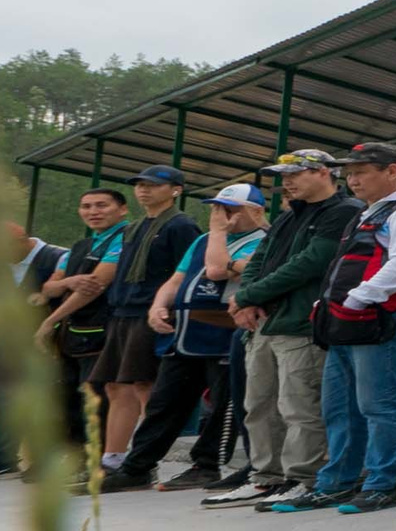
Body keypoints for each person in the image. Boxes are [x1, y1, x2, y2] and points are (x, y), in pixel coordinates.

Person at [266, 143, 396, 515]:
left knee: (379, 407)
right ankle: (336, 483)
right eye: (349, 173)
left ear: (392, 171)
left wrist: (359, 298)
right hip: (343, 323)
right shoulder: (367, 212)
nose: (352, 180)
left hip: (377, 321)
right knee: (340, 408)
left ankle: (381, 484)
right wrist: (329, 305)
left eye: (361, 171)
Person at [210, 153, 360, 509]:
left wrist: (248, 296)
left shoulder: (343, 211)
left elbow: (309, 264)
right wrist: (246, 299)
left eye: (296, 173)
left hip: (301, 324)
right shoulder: (289, 215)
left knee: (299, 406)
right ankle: (266, 477)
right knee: (259, 404)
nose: (287, 181)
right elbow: (259, 260)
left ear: (324, 172)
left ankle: (303, 478)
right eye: (283, 175)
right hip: (266, 323)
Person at [119, 181, 269, 492]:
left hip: (224, 333)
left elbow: (217, 270)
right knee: (164, 402)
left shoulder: (263, 240)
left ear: (255, 212)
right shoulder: (203, 240)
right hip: (186, 334)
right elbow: (176, 279)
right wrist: (158, 306)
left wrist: (218, 232)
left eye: (230, 209)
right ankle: (137, 466)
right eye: (217, 208)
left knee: (222, 406)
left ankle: (207, 464)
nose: (221, 215)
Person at [84, 166, 201, 478]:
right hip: (122, 312)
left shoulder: (181, 225)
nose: (143, 190)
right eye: (139, 185)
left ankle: (143, 461)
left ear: (176, 190)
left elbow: (185, 273)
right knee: (115, 385)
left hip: (151, 312)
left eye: (153, 185)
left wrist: (166, 308)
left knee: (146, 385)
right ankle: (112, 459)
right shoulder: (133, 227)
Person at [33, 188, 130, 450]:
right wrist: (69, 281)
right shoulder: (80, 246)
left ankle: (97, 458)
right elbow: (49, 288)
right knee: (66, 395)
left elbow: (94, 286)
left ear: (122, 209)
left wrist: (49, 321)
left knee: (95, 397)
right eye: (86, 206)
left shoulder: (125, 240)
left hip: (105, 332)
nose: (93, 212)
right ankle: (72, 454)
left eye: (101, 205)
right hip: (73, 335)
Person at [0, 222, 70, 473]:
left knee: (54, 399)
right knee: (7, 395)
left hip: (53, 342)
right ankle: (3, 457)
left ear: (21, 241)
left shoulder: (59, 257)